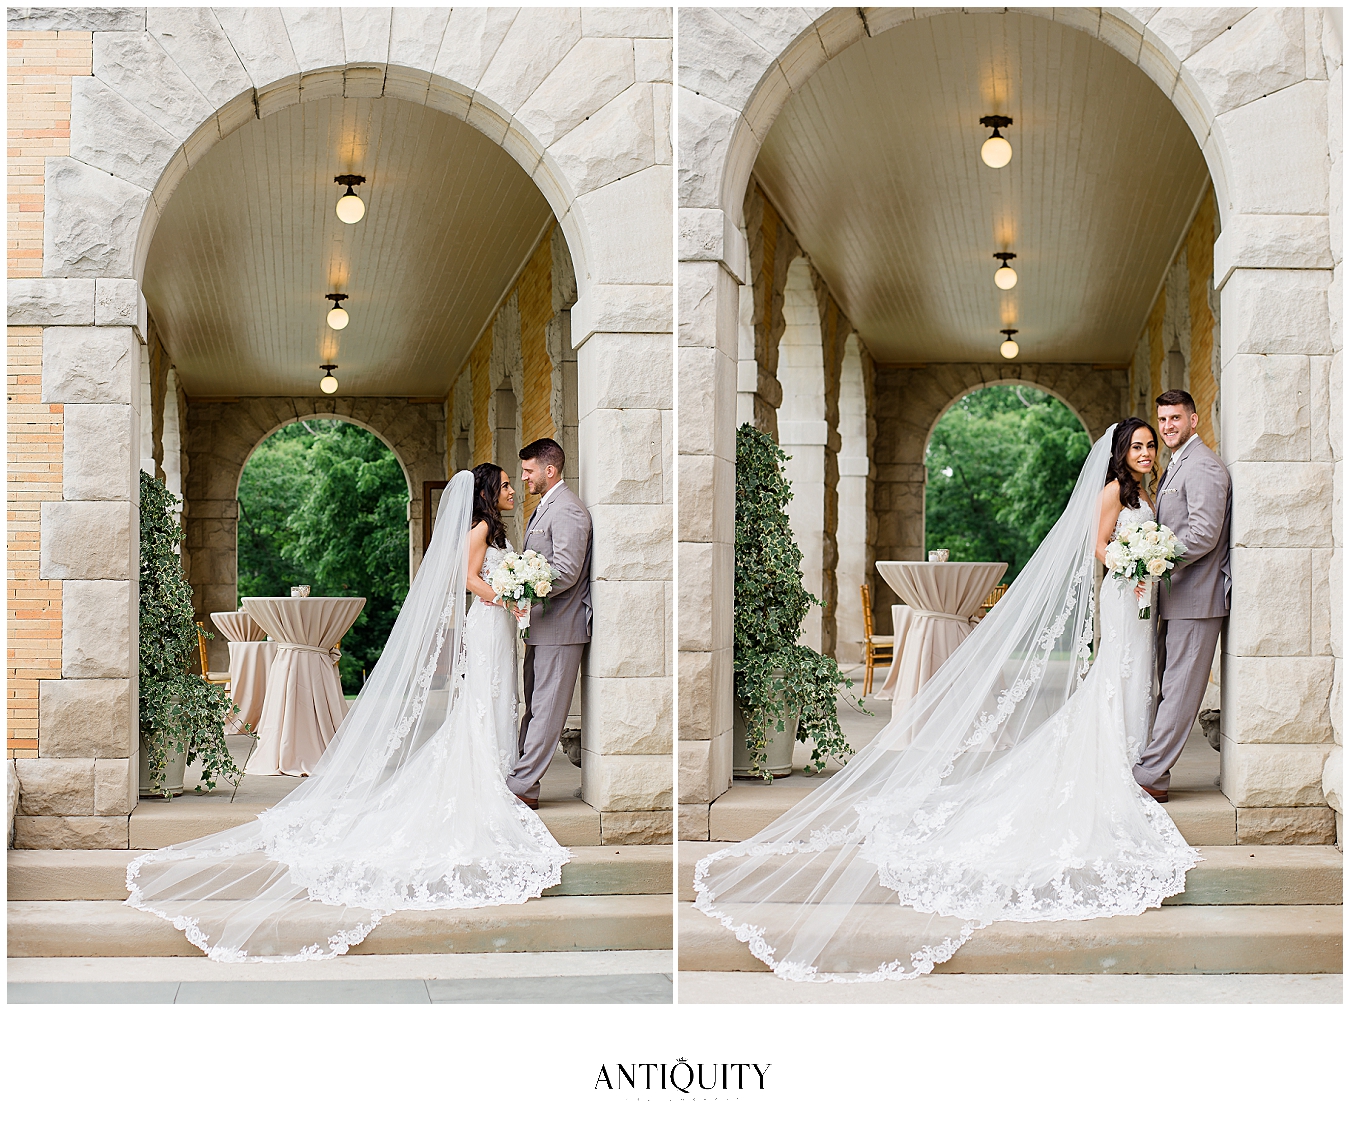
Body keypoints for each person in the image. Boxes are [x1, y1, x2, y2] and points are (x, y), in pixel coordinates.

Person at [694, 420, 1201, 982]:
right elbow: (1098, 546)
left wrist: (1148, 560)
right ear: (1119, 453)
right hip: (1122, 591)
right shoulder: (1112, 493)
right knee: (1119, 678)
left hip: (1141, 598)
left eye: (1151, 445)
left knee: (1137, 680)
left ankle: (1132, 758)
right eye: (1138, 445)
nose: (1147, 452)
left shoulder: (1147, 495)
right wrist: (1131, 563)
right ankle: (1116, 764)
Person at [125, 465, 569, 962]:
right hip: (489, 625)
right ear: (488, 492)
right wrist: (508, 597)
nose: (512, 490)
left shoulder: (493, 530)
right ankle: (489, 776)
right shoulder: (480, 529)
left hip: (497, 628)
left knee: (497, 703)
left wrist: (512, 595)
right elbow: (468, 579)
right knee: (487, 705)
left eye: (514, 483)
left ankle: (498, 770)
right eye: (506, 485)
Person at [1135, 390, 1232, 802]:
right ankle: (1150, 764)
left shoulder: (1205, 466)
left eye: (1176, 418)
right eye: (1163, 420)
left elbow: (1204, 534)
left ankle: (1151, 776)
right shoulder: (1177, 465)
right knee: (1164, 687)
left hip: (1197, 599)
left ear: (1193, 420)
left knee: (1178, 691)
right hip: (1175, 600)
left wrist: (1158, 560)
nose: (1169, 426)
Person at [511, 438, 593, 809]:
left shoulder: (569, 510)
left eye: (528, 471)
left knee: (547, 710)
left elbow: (567, 571)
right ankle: (521, 775)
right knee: (535, 707)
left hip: (562, 627)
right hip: (542, 627)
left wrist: (521, 590)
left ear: (550, 470)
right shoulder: (547, 507)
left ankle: (523, 786)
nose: (524, 478)